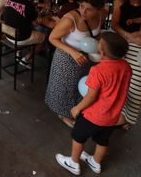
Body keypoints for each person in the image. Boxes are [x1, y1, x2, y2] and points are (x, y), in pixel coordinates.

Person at [55, 32, 131, 176]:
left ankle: (74, 163)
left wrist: (77, 108)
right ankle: (96, 163)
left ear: (101, 52)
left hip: (93, 115)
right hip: (112, 116)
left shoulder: (98, 70)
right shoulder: (126, 66)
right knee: (102, 140)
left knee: (78, 136)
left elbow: (90, 97)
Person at [45, 0, 106, 128]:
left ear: (98, 10)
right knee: (65, 87)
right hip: (67, 57)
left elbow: (97, 35)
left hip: (87, 57)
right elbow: (52, 38)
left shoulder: (101, 15)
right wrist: (73, 52)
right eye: (81, 6)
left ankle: (77, 108)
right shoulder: (70, 19)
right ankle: (64, 114)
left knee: (80, 86)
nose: (83, 12)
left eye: (89, 10)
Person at [2, 0, 45, 64]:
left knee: (21, 24)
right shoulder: (28, 4)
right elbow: (36, 23)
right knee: (44, 37)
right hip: (20, 38)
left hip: (8, 34)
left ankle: (18, 54)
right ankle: (26, 59)